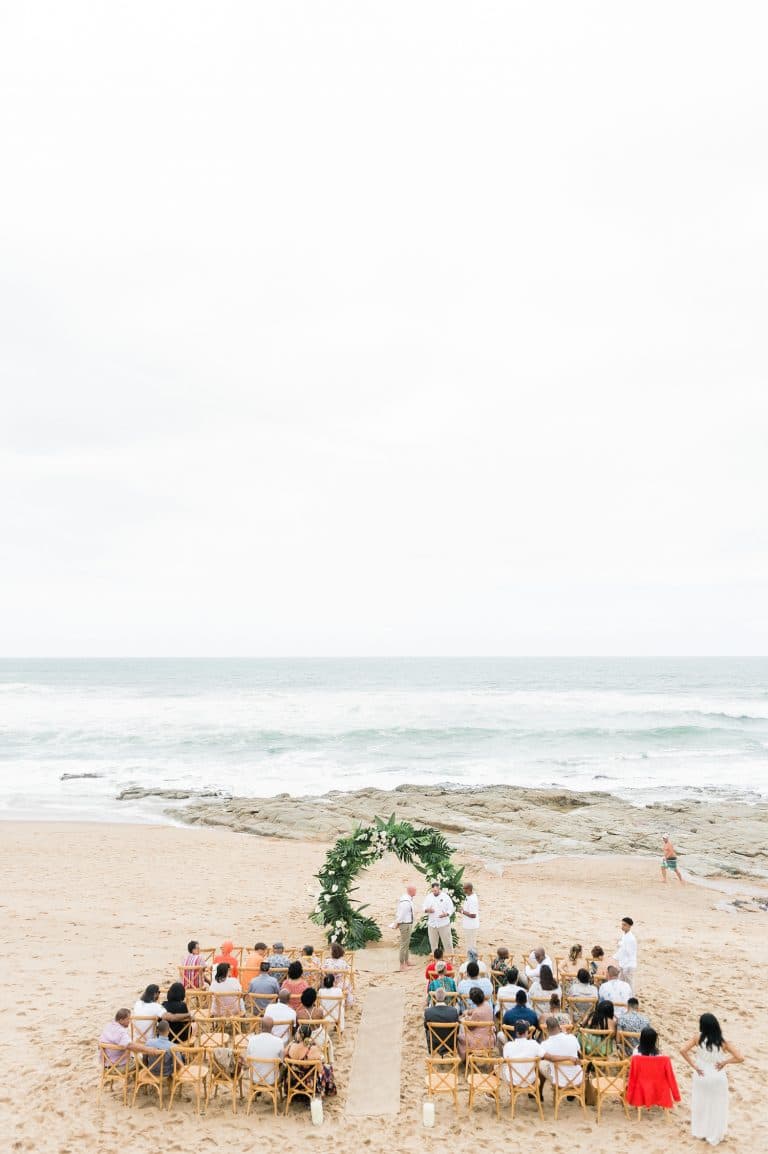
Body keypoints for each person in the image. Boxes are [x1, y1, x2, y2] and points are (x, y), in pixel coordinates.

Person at [680, 1013, 744, 1146]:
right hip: (717, 1076)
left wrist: (694, 1065)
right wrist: (725, 1062)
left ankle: (701, 1131)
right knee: (717, 1106)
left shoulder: (697, 1037)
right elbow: (740, 1058)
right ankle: (714, 1133)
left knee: (702, 1104)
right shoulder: (722, 1040)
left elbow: (682, 1050)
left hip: (701, 1074)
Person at [539, 1017, 582, 1089]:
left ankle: (539, 1092)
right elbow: (579, 1052)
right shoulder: (572, 1037)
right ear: (559, 1027)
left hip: (560, 1081)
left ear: (547, 1030)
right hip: (577, 1079)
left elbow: (550, 1058)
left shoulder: (545, 1044)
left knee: (540, 1063)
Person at [457, 987, 494, 1061]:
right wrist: (469, 1012)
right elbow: (478, 1011)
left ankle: (464, 1059)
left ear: (473, 1001)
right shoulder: (487, 1005)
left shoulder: (477, 1013)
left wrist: (466, 1019)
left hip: (479, 1041)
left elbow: (470, 1027)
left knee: (460, 1036)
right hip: (490, 1038)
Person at [502, 1019, 542, 1086]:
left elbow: (505, 1059)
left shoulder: (508, 1045)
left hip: (513, 1081)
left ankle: (511, 1091)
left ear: (516, 1032)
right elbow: (542, 1055)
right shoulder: (534, 1044)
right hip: (531, 1080)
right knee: (539, 1064)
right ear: (527, 1032)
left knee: (499, 1067)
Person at [245, 1017, 284, 1084]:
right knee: (283, 1067)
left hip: (254, 1078)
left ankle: (256, 1089)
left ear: (260, 1026)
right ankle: (275, 1090)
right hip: (271, 1080)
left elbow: (248, 1059)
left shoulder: (252, 1040)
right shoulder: (279, 1042)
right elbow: (281, 1060)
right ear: (272, 1027)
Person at [422, 880, 454, 953]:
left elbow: (451, 908)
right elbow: (423, 907)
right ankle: (435, 959)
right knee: (433, 944)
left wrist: (446, 914)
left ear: (439, 889)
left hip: (443, 924)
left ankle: (450, 960)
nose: (434, 892)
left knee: (447, 943)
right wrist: (427, 910)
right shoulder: (428, 897)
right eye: (433, 891)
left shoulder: (446, 897)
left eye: (436, 891)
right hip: (432, 925)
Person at [424, 987, 460, 1052]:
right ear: (445, 998)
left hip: (434, 1045)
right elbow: (457, 1029)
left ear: (435, 998)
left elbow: (426, 1027)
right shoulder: (453, 1011)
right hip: (450, 1044)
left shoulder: (428, 1012)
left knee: (427, 1031)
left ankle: (431, 1051)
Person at [395, 884, 417, 971]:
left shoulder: (408, 899)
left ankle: (407, 961)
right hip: (405, 924)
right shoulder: (405, 901)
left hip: (408, 923)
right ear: (411, 891)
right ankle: (402, 965)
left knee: (407, 943)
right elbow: (401, 914)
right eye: (415, 890)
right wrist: (397, 923)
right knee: (404, 944)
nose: (416, 892)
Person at [615, 916, 638, 990]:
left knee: (629, 985)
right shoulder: (625, 935)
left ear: (629, 926)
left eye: (624, 925)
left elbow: (629, 954)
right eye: (622, 924)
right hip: (623, 964)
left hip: (628, 965)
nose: (622, 926)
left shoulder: (631, 939)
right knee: (620, 983)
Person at [460, 882, 480, 953]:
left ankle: (472, 961)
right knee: (469, 944)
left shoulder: (472, 899)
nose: (463, 890)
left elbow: (473, 915)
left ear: (468, 889)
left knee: (471, 945)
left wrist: (462, 911)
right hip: (468, 925)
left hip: (471, 926)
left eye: (464, 888)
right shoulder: (468, 896)